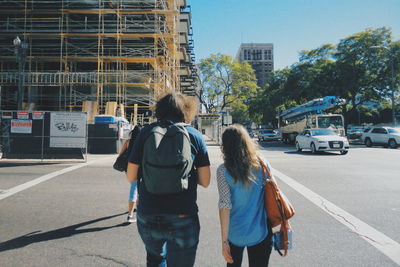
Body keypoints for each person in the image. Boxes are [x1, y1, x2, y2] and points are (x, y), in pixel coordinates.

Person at [127, 93, 211, 267]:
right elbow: (205, 181)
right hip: (182, 212)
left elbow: (131, 176)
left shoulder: (146, 132)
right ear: (186, 110)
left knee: (155, 259)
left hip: (149, 212)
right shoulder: (194, 135)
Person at [217, 124, 273, 267]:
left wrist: (224, 242)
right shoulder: (261, 164)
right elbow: (272, 193)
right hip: (261, 231)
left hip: (234, 233)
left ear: (225, 146)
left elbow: (225, 205)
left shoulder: (223, 171)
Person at [118, 125, 142, 223]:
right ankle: (130, 215)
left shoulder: (128, 142)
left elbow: (120, 155)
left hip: (128, 168)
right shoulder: (142, 143)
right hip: (138, 168)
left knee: (135, 187)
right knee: (135, 188)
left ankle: (135, 208)